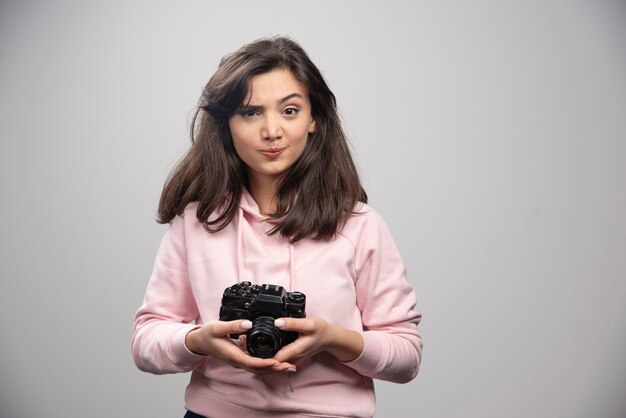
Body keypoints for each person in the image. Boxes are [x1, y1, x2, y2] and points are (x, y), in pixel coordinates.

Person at [131, 36, 422, 418]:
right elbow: (145, 342)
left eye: (289, 110)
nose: (272, 131)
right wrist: (199, 340)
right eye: (250, 112)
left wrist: (333, 339)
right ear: (227, 125)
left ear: (314, 118)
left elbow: (407, 357)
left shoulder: (359, 225)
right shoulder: (196, 223)